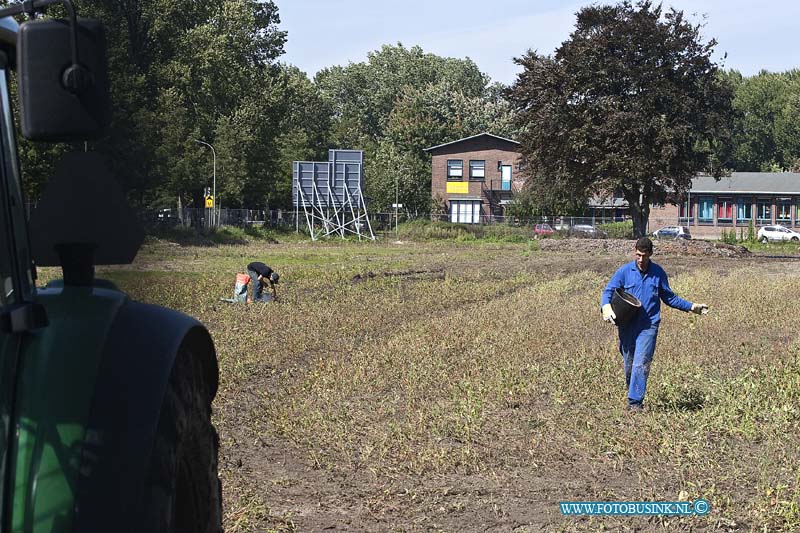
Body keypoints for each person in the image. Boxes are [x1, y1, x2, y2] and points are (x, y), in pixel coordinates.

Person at [600, 237, 708, 412]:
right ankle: (633, 391)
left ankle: (635, 403)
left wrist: (691, 307)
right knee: (629, 363)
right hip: (627, 325)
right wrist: (605, 306)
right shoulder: (624, 271)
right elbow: (609, 290)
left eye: (644, 255)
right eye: (638, 255)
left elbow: (669, 297)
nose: (641, 259)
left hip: (648, 325)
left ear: (650, 254)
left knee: (641, 362)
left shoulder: (658, 273)